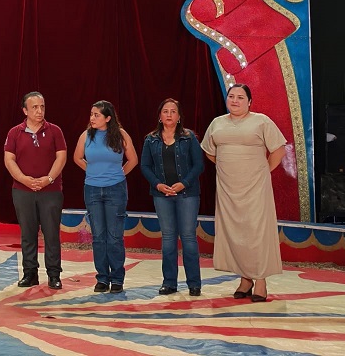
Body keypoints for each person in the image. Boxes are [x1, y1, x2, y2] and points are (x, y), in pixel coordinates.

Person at [201, 83, 286, 302]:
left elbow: (278, 149)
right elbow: (210, 152)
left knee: (257, 232)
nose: (235, 100)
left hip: (255, 187)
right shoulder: (217, 123)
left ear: (249, 102)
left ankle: (261, 280)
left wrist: (263, 172)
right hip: (228, 189)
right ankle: (245, 279)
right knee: (235, 232)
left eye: (240, 97)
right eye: (231, 96)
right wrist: (227, 168)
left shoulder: (261, 121)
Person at [140, 98, 204, 296]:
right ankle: (169, 283)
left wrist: (184, 183)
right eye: (165, 111)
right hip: (162, 195)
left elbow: (198, 165)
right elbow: (145, 166)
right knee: (168, 238)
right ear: (160, 116)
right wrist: (158, 185)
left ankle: (194, 284)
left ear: (179, 116)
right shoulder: (150, 139)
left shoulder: (189, 138)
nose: (169, 114)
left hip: (187, 194)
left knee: (188, 237)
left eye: (173, 111)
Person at [72, 100, 138, 293]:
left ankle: (117, 279)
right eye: (91, 114)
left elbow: (133, 159)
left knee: (114, 236)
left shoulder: (121, 135)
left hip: (115, 190)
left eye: (96, 115)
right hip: (92, 190)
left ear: (108, 118)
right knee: (99, 236)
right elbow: (77, 157)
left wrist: (118, 175)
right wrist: (92, 171)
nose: (92, 118)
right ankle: (102, 278)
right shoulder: (86, 135)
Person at [4, 91, 67, 289]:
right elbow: (9, 159)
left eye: (42, 107)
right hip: (23, 191)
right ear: (25, 110)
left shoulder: (55, 131)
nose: (39, 111)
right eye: (35, 107)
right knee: (28, 233)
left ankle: (54, 274)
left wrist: (48, 179)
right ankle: (30, 273)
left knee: (51, 234)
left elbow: (61, 157)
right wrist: (23, 179)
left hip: (51, 191)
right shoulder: (14, 133)